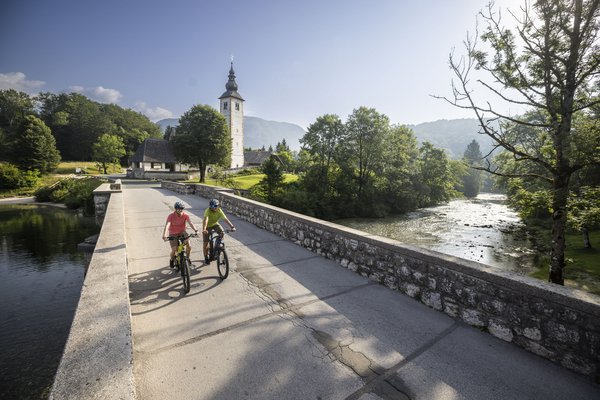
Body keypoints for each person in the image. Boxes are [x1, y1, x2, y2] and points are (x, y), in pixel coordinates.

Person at [162, 201, 198, 268]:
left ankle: (187, 258)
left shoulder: (185, 215)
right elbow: (167, 225)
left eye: (181, 208)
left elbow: (190, 223)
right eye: (178, 208)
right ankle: (172, 260)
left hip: (182, 232)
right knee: (174, 250)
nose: (180, 210)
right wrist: (164, 235)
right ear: (175, 209)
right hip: (173, 234)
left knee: (189, 246)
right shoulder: (171, 216)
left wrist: (196, 230)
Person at [202, 198, 235, 264]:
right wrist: (204, 229)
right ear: (210, 207)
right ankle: (206, 257)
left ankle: (219, 246)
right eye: (214, 206)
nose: (216, 208)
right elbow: (206, 220)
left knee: (222, 232)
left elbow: (225, 219)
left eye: (217, 206)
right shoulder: (207, 211)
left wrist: (232, 226)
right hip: (207, 226)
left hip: (215, 224)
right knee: (206, 242)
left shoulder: (219, 210)